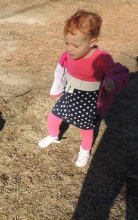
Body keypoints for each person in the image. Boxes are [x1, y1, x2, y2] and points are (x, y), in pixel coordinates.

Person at [38, 9, 129, 168]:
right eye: (67, 43)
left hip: (88, 102)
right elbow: (62, 68)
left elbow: (119, 71)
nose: (70, 49)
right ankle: (53, 135)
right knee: (53, 117)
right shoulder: (69, 54)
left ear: (92, 42)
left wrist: (113, 82)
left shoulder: (101, 57)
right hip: (69, 95)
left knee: (85, 129)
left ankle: (85, 151)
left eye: (75, 45)